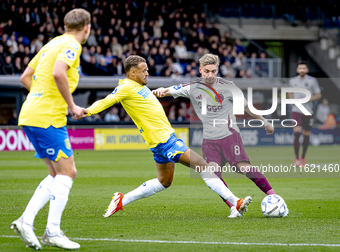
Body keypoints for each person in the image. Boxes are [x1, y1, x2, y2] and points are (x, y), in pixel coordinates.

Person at [75, 55, 252, 218]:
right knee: (204, 166)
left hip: (161, 142)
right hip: (165, 141)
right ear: (133, 72)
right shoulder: (125, 87)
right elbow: (107, 101)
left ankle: (122, 200)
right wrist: (87, 111)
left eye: (147, 70)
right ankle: (235, 202)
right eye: (144, 70)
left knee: (164, 181)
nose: (147, 73)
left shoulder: (139, 87)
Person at [152, 54, 288, 218]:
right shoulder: (192, 87)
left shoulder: (228, 86)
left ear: (217, 70)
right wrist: (160, 91)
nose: (210, 75)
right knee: (212, 175)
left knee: (242, 167)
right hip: (209, 141)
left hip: (229, 136)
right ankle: (234, 207)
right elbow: (169, 90)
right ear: (201, 70)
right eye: (207, 71)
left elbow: (246, 107)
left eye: (213, 71)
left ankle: (272, 196)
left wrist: (265, 122)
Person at [11, 9, 91, 250]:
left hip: (30, 113)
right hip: (47, 117)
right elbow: (58, 73)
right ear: (86, 27)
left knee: (57, 173)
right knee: (68, 172)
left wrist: (41, 96)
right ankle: (52, 232)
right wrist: (71, 106)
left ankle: (26, 220)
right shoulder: (72, 45)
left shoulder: (51, 43)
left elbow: (26, 76)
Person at [288, 61, 321, 168]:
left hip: (308, 111)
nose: (302, 70)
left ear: (307, 70)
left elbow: (318, 95)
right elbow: (290, 92)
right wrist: (292, 100)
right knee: (297, 133)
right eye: (300, 68)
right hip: (296, 110)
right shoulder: (292, 81)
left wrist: (309, 99)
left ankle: (303, 157)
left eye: (304, 68)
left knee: (306, 135)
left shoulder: (312, 81)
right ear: (297, 70)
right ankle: (296, 159)